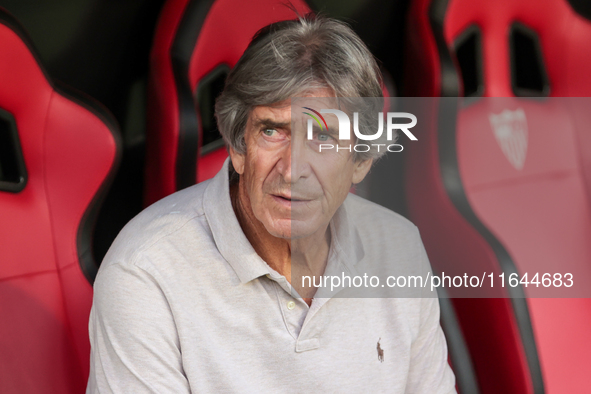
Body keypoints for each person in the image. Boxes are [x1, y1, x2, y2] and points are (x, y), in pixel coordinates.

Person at [87, 14, 456, 393]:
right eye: (271, 130)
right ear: (238, 146)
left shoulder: (398, 245)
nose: (293, 169)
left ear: (360, 160)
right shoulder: (145, 273)